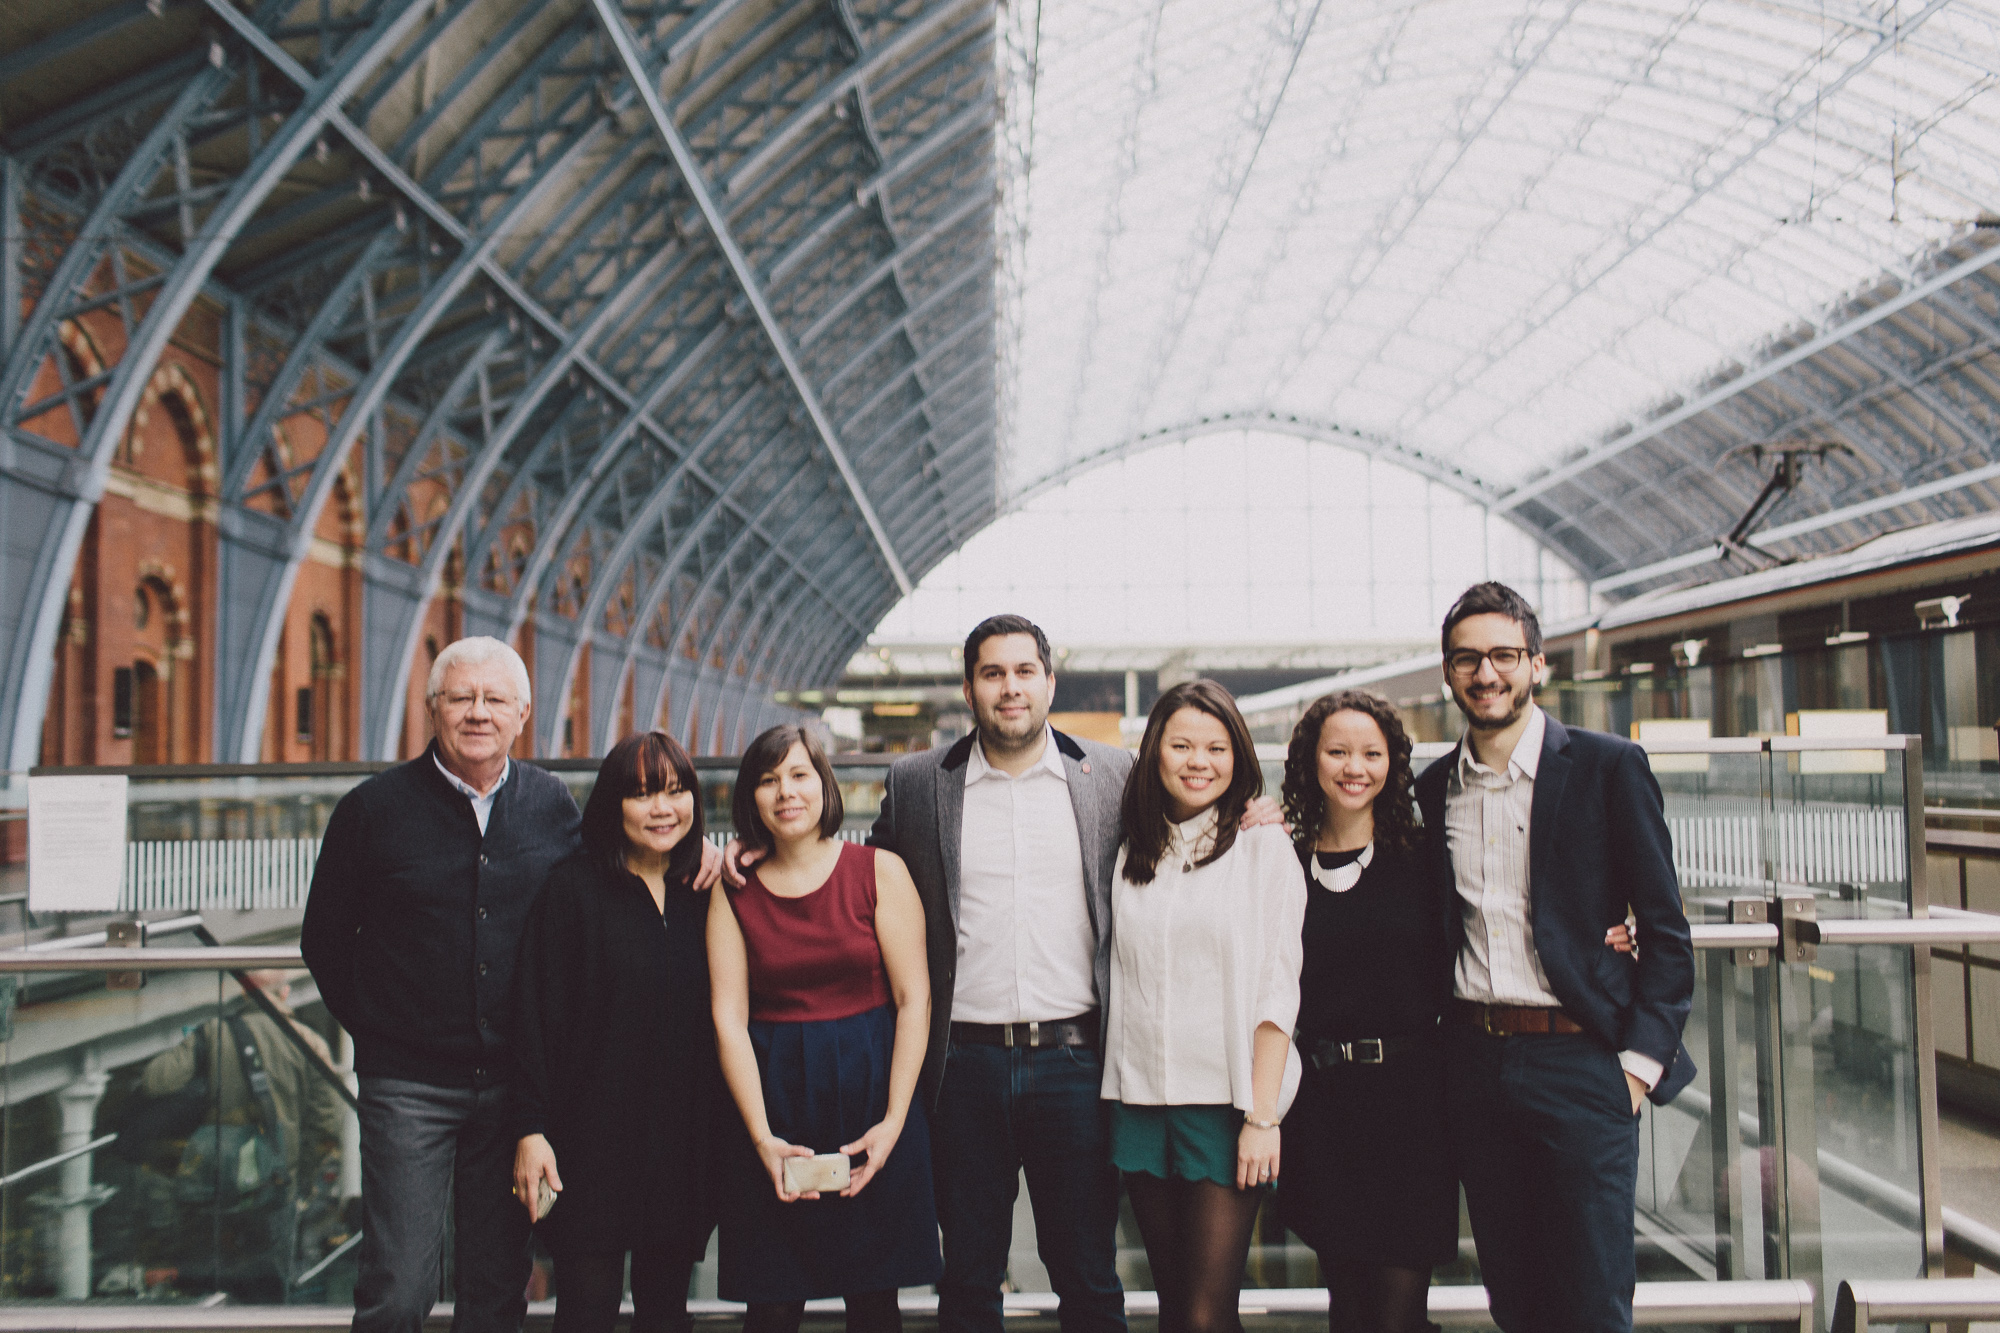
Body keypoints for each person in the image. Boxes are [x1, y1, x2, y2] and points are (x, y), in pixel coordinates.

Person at [1416, 582, 1695, 1333]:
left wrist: (1635, 1069)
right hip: (1475, 1064)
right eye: (1467, 658)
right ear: (1448, 673)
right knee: (1515, 1296)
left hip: (1583, 1063)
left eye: (1504, 655)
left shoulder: (1608, 767)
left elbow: (1667, 930)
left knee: (1594, 1298)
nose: (1486, 673)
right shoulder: (1432, 789)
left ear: (1537, 663)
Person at [302, 636, 580, 1333]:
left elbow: (615, 884)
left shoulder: (553, 805)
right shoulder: (372, 810)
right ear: (432, 709)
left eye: (494, 699)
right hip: (409, 1087)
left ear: (522, 713)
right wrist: (383, 1025)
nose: (477, 712)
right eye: (461, 697)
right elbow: (325, 938)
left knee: (496, 1287)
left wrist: (710, 858)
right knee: (399, 1285)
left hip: (515, 1089)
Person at [709, 724, 941, 1333]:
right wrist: (761, 1138)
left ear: (824, 785)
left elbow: (913, 999)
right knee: (773, 1305)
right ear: (750, 798)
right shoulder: (733, 890)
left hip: (872, 1100)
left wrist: (893, 1123)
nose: (785, 792)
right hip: (774, 1105)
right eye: (767, 780)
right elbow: (728, 1019)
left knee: (874, 1304)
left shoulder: (879, 870)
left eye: (799, 774)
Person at [1100, 679, 1305, 1333]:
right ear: (1154, 751)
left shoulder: (1262, 845)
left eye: (1216, 747)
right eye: (1182, 743)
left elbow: (1279, 984)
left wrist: (1263, 1114)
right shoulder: (1134, 844)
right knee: (1171, 1304)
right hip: (1139, 1101)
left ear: (1238, 756)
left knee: (1204, 1312)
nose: (1198, 760)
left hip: (1227, 1106)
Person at [511, 731, 720, 1333]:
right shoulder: (571, 891)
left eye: (677, 792)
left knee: (666, 1312)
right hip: (587, 1143)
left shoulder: (704, 894)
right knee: (585, 1310)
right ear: (613, 805)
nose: (663, 809)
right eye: (643, 794)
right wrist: (530, 1128)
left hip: (681, 1142)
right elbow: (533, 1018)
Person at [1273, 691, 1453, 1333]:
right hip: (1323, 1111)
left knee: (1399, 1314)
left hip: (1411, 1110)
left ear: (1392, 764)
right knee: (1347, 1310)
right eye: (1338, 751)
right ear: (1310, 761)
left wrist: (1604, 932)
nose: (1355, 767)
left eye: (1371, 753)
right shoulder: (1282, 861)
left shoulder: (1426, 859)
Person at [130, 969, 346, 1299]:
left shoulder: (213, 1034)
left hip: (214, 1186)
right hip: (275, 1190)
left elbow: (155, 1081)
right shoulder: (309, 1043)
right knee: (269, 1284)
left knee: (208, 1283)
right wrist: (298, 1177)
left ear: (244, 993)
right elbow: (326, 1122)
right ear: (285, 993)